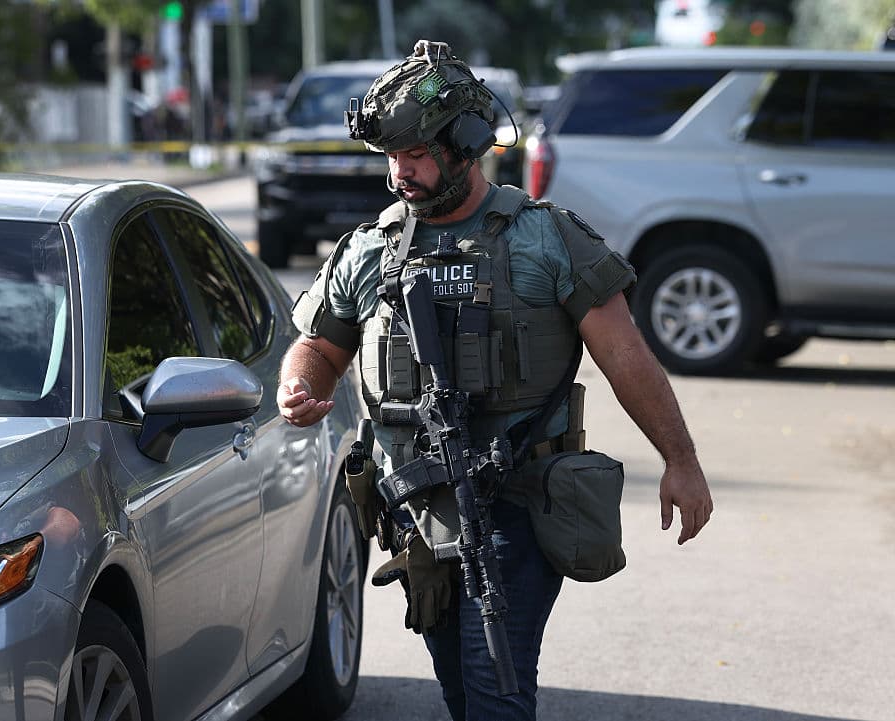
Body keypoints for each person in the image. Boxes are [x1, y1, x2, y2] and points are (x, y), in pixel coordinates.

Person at [277, 40, 714, 721]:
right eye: (391, 157)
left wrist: (680, 459)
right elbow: (317, 347)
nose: (400, 172)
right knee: (460, 687)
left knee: (493, 691)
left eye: (415, 154)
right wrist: (299, 386)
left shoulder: (545, 239)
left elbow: (627, 358)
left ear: (466, 145)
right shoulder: (368, 251)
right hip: (416, 509)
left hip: (517, 502)